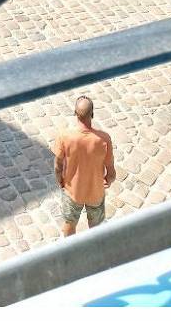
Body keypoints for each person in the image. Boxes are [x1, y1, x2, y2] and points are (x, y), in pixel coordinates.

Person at [53, 96, 116, 236]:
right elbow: (111, 173)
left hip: (72, 192)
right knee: (96, 227)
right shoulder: (104, 139)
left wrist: (60, 181)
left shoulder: (64, 137)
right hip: (96, 192)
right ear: (92, 113)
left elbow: (58, 166)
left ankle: (70, 247)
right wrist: (108, 180)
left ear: (75, 113)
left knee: (69, 224)